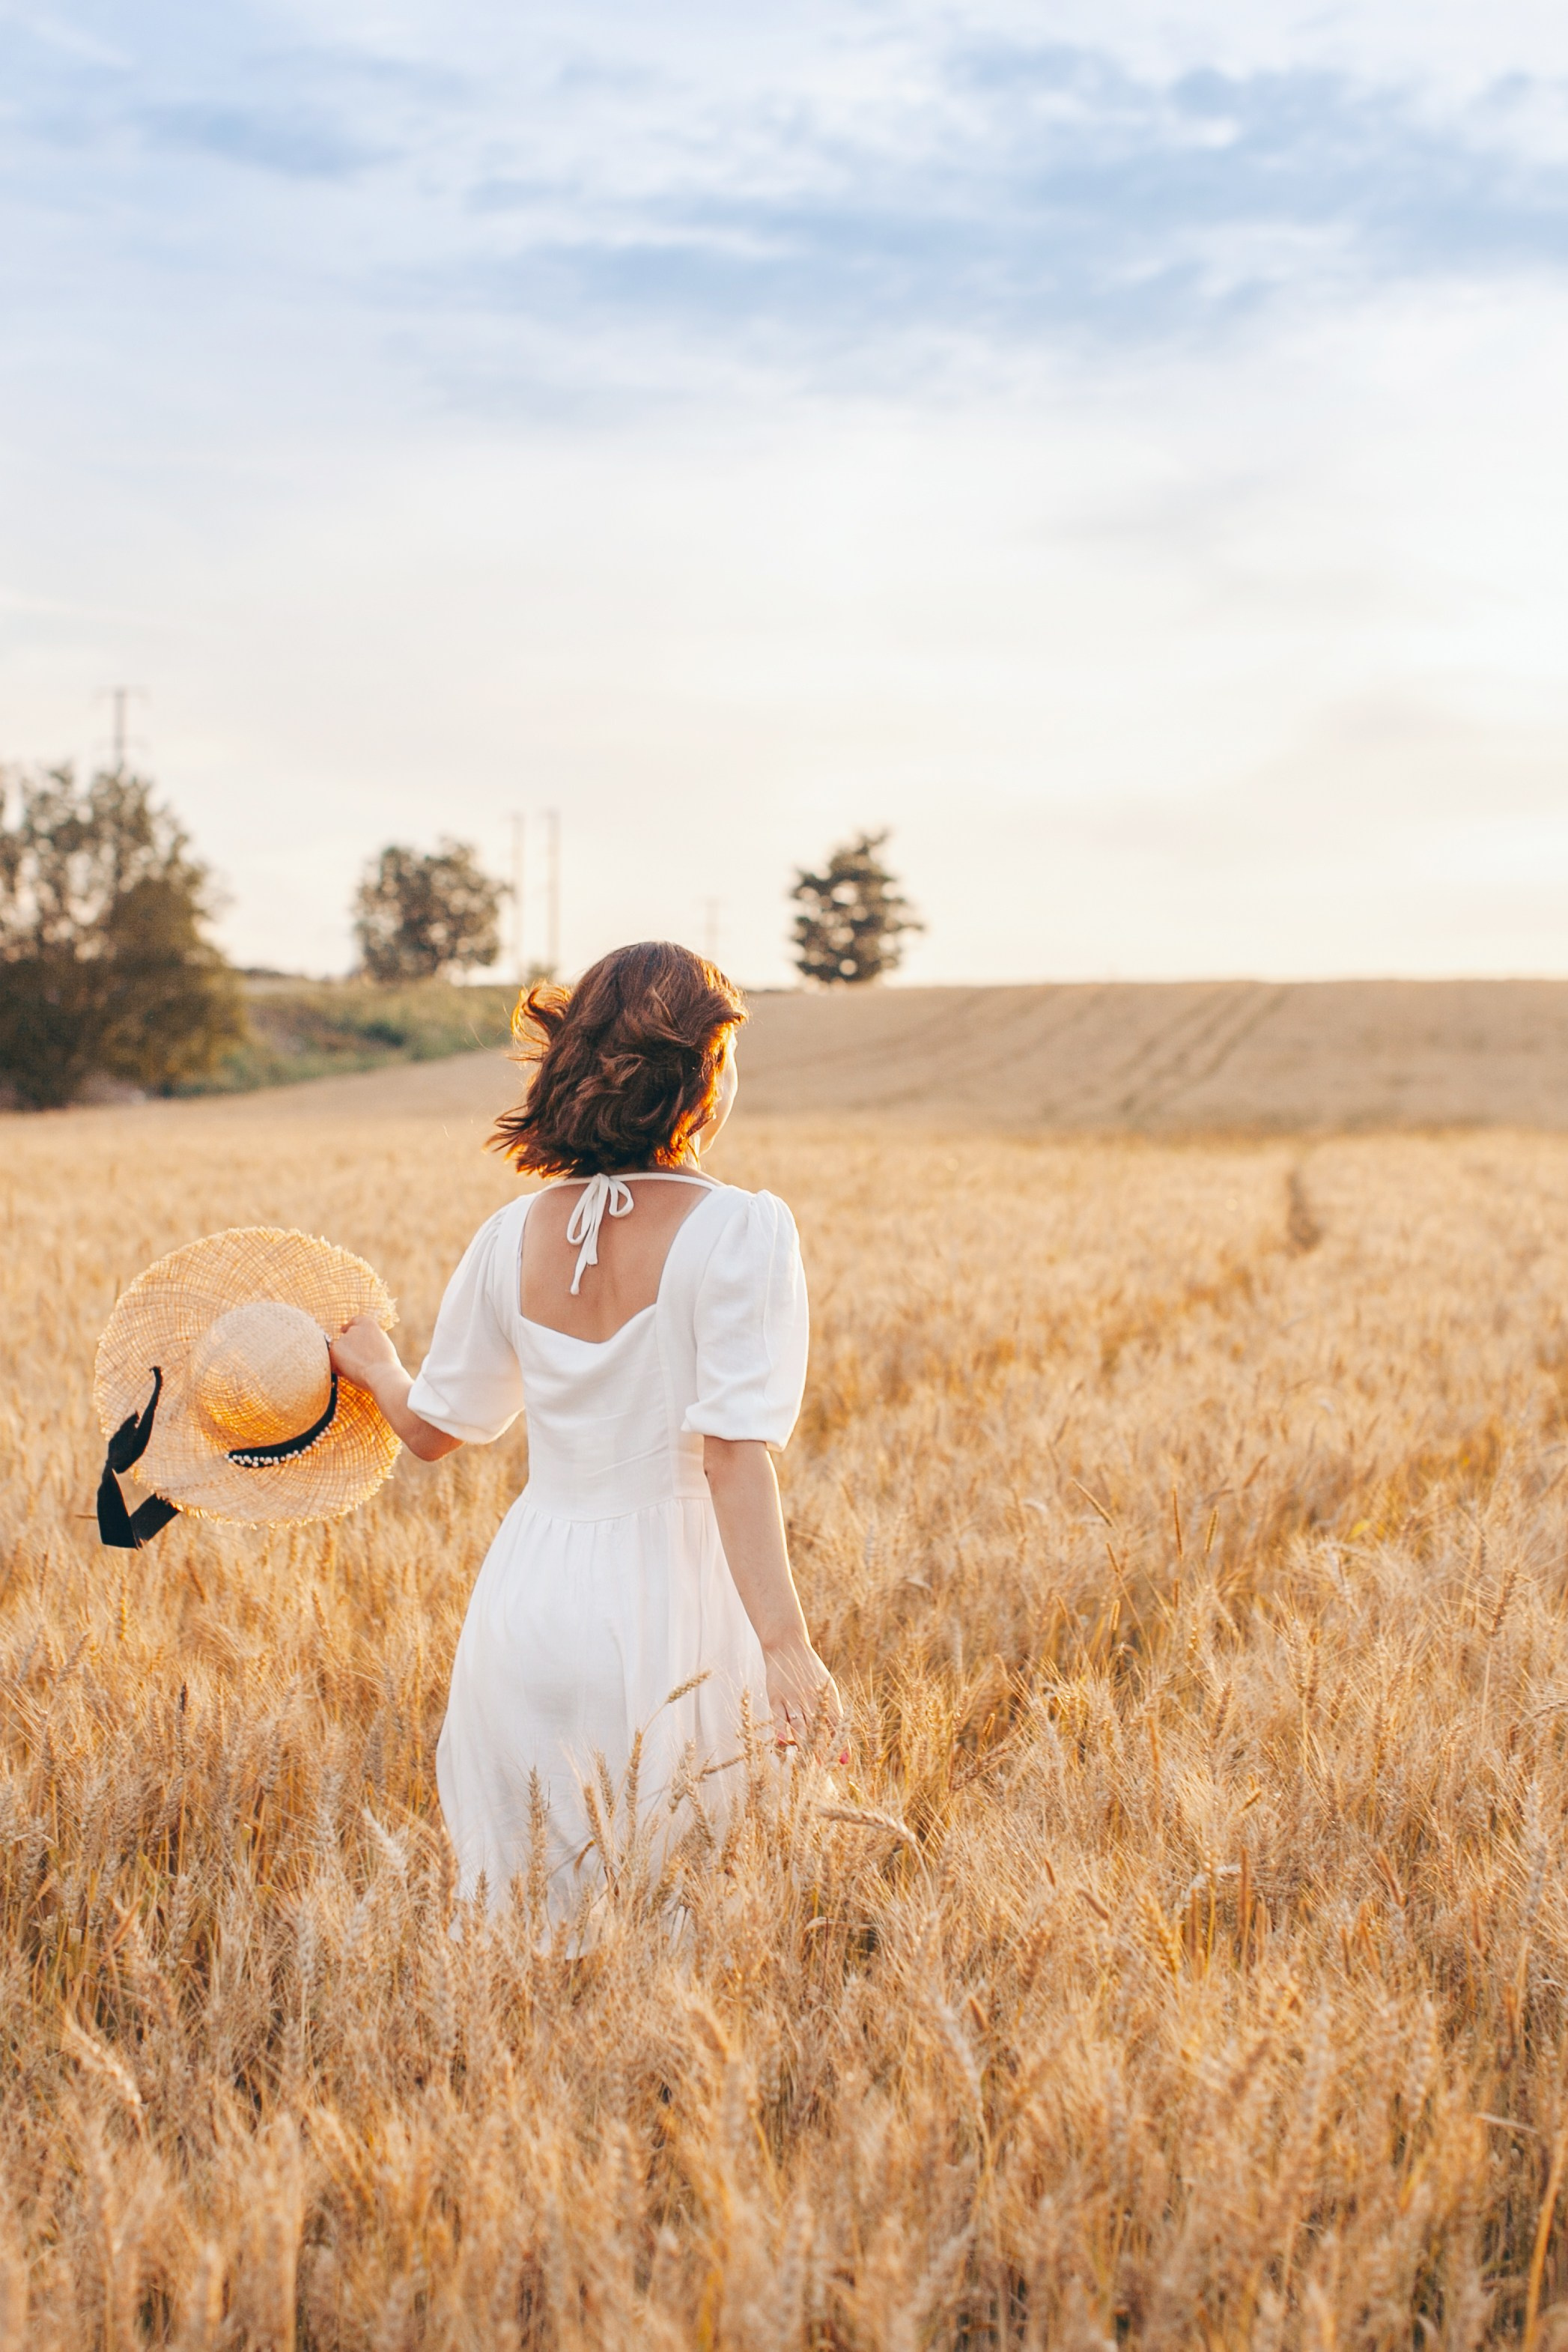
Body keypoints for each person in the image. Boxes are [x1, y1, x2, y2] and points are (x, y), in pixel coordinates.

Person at [329, 940, 840, 1925]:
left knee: (528, 1915)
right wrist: (785, 1646)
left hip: (527, 1601)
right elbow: (733, 1456)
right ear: (703, 1074)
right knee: (676, 1919)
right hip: (673, 1604)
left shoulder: (508, 1235)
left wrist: (374, 1360)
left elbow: (432, 1429)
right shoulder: (741, 1232)